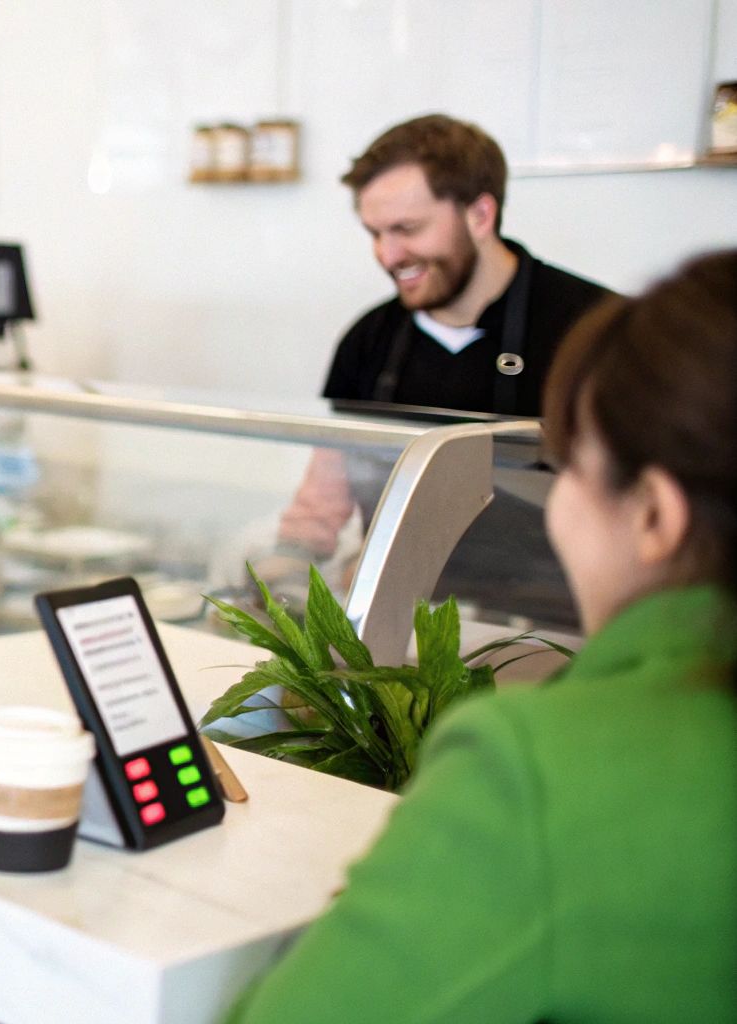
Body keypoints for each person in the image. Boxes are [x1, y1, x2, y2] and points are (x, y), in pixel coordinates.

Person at [230, 251, 737, 1022]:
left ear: (656, 516)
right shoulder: (371, 337)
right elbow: (322, 492)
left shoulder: (539, 771)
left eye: (569, 469)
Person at [323, 114, 613, 416]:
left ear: (480, 216)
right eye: (375, 233)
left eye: (407, 229)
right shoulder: (368, 341)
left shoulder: (597, 332)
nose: (387, 255)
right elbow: (331, 463)